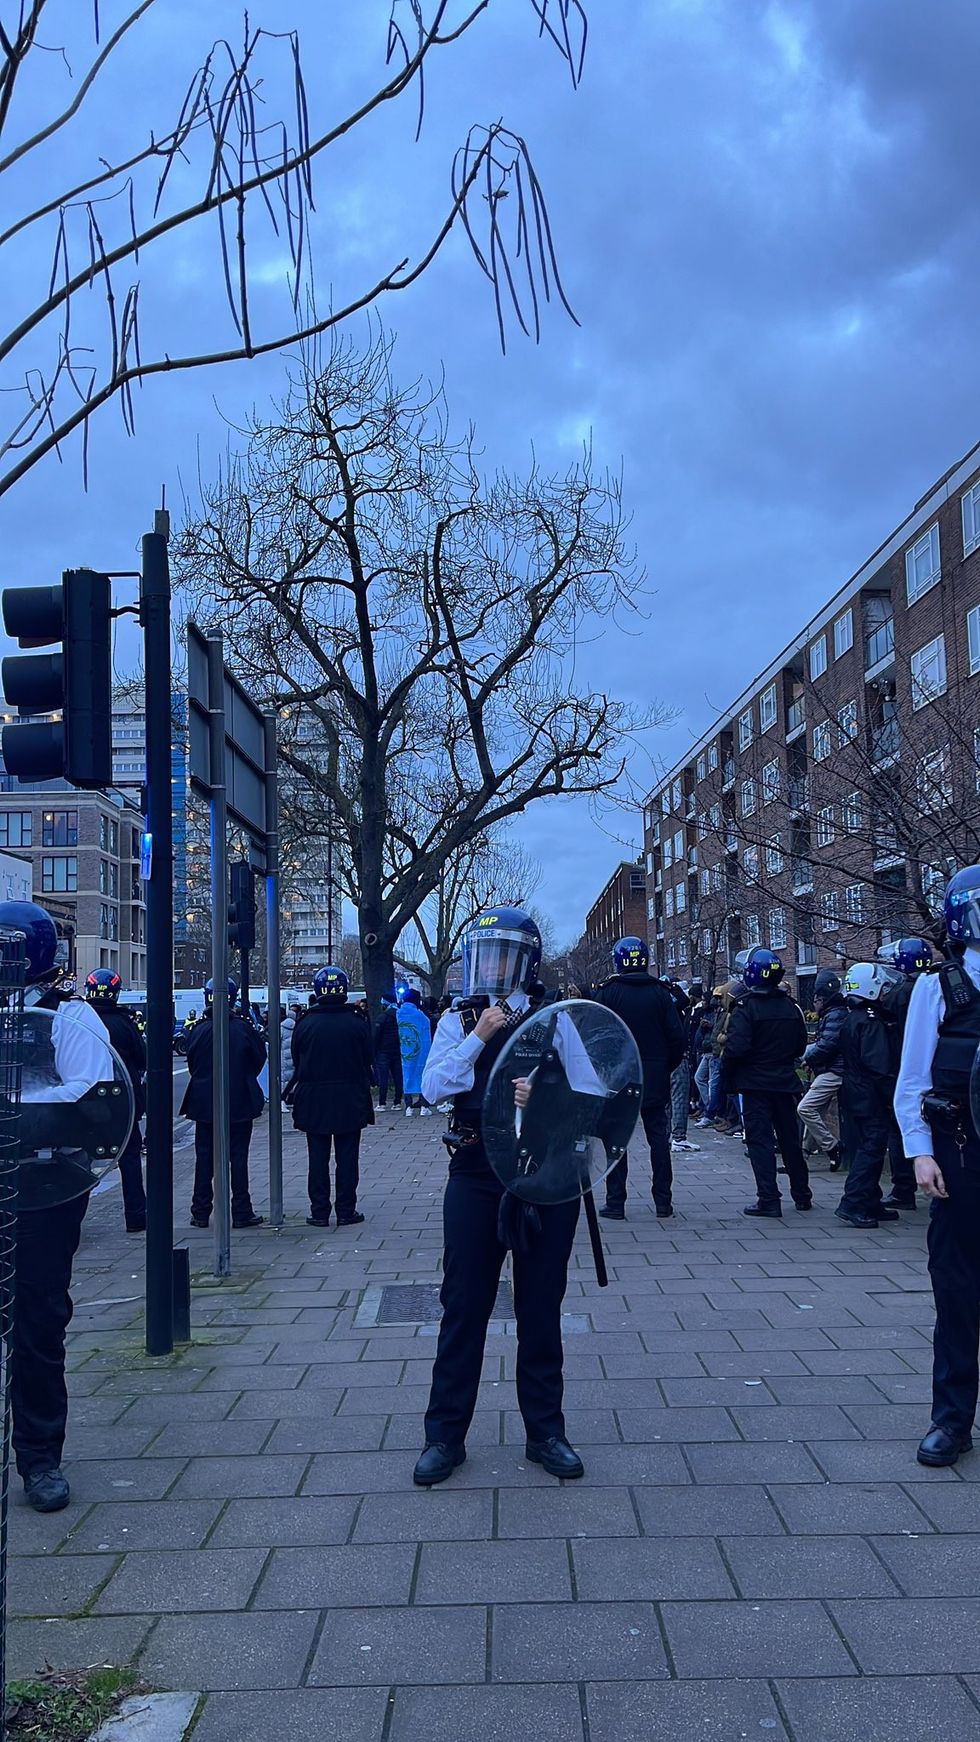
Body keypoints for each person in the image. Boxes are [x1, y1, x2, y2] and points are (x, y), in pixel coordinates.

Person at [414, 906, 584, 1487]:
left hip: (542, 1175)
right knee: (463, 1305)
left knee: (541, 1305)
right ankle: (444, 1437)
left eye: (506, 955)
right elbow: (432, 1087)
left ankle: (546, 1433)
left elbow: (590, 1096)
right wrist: (478, 1038)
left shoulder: (555, 1017)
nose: (493, 966)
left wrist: (545, 1091)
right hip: (474, 1172)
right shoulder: (458, 1018)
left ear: (527, 962)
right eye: (485, 953)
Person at [0, 902, 112, 1512]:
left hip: (41, 1190)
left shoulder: (70, 1017)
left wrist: (21, 1111)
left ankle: (39, 1457)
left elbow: (90, 1092)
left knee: (38, 1324)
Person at [895, 868, 980, 1468]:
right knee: (956, 1291)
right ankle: (951, 1421)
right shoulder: (938, 990)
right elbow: (913, 1082)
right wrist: (920, 1150)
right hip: (959, 1154)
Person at [594, 937, 686, 1219]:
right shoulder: (661, 994)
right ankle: (663, 1202)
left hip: (618, 1079)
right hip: (654, 1077)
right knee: (658, 1139)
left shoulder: (608, 993)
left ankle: (616, 1202)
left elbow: (595, 1037)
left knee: (615, 1141)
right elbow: (677, 1038)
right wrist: (663, 1066)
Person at [722, 947, 811, 1218]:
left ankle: (769, 1199)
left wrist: (727, 1076)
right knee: (790, 1142)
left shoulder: (746, 1007)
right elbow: (800, 1044)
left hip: (755, 1085)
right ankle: (802, 1195)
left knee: (760, 1142)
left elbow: (736, 1048)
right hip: (785, 1082)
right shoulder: (790, 1006)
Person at [288, 966, 373, 1227]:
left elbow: (296, 1059)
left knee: (317, 1157)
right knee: (348, 1158)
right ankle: (346, 1210)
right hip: (350, 1097)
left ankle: (319, 1211)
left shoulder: (305, 1022)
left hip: (314, 1099)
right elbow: (368, 1057)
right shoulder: (357, 1021)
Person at [182, 977, 265, 1230]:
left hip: (204, 1104)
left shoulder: (198, 1029)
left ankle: (200, 1211)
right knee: (238, 1158)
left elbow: (191, 1063)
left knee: (204, 1159)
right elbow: (258, 1058)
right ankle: (241, 1211)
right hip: (239, 1102)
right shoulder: (243, 1028)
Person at [832, 962, 901, 1230]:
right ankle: (853, 1202)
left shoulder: (854, 1018)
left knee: (866, 1145)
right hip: (870, 1095)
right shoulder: (871, 1021)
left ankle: (871, 1200)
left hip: (855, 1093)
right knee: (871, 1149)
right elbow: (879, 1065)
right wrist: (891, 1095)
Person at [84, 969, 147, 1232]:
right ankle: (136, 1217)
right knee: (129, 1157)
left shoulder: (81, 1020)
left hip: (86, 1099)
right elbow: (143, 1058)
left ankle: (75, 1218)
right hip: (124, 1099)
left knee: (80, 1158)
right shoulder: (124, 1023)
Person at [878, 937, 933, 1210]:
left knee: (899, 1128)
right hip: (936, 1071)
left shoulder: (897, 994)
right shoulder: (938, 986)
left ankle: (903, 1189)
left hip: (902, 1069)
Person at [798, 968, 846, 1170]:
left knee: (805, 1108)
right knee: (815, 1109)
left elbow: (827, 1045)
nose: (814, 1005)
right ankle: (805, 1154)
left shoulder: (834, 1015)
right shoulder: (835, 1013)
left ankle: (833, 1147)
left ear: (823, 1000)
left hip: (834, 1071)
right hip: (832, 1069)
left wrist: (807, 1057)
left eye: (816, 1001)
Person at [398, 988, 433, 1116]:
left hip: (404, 1052)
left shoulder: (398, 1013)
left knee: (406, 1075)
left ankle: (408, 1107)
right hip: (421, 1052)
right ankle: (424, 1106)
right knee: (421, 1075)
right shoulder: (420, 1015)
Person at [372, 994, 403, 1111]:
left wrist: (374, 1051)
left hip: (383, 1052)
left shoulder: (382, 1017)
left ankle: (382, 1103)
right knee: (398, 1077)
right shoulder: (400, 1015)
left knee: (383, 1078)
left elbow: (376, 1036)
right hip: (397, 1051)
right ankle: (397, 1101)